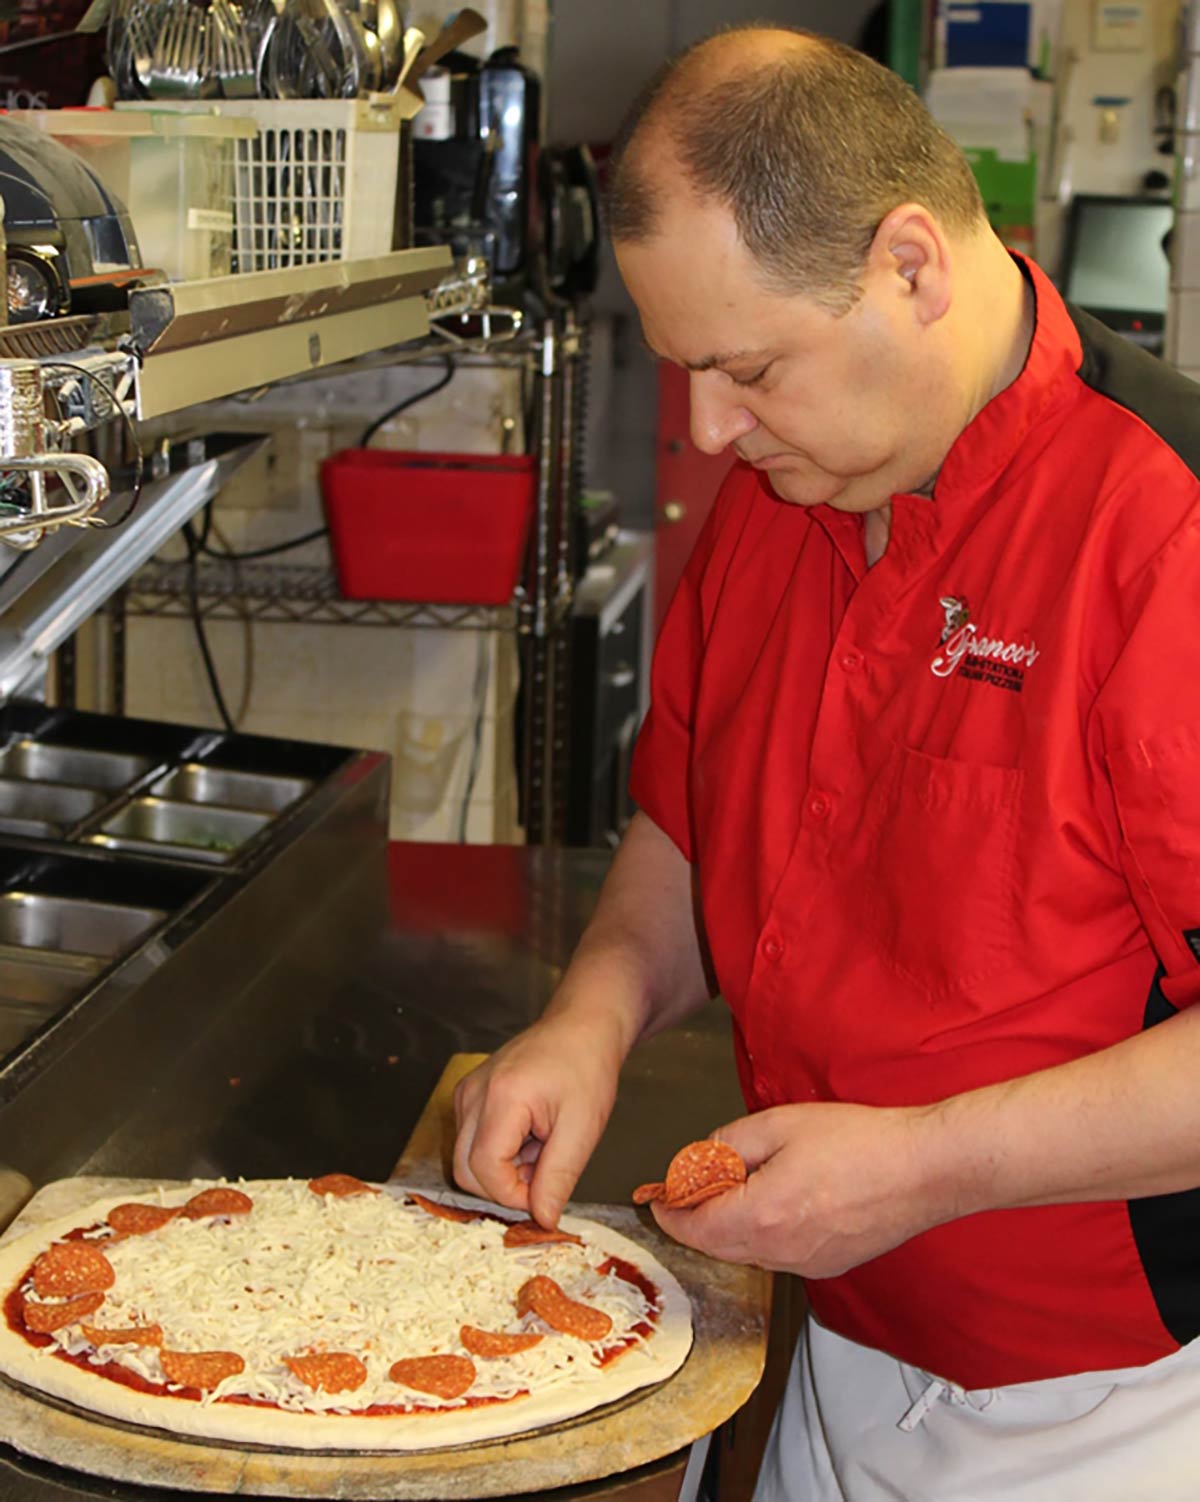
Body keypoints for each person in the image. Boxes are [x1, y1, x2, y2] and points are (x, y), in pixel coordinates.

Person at [453, 25, 1200, 1501]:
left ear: (910, 266)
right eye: (687, 375)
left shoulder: (1161, 534)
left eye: (747, 369)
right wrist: (592, 1015)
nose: (711, 432)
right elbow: (687, 819)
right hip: (836, 1345)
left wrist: (924, 1164)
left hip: (1117, 1411)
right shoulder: (786, 496)